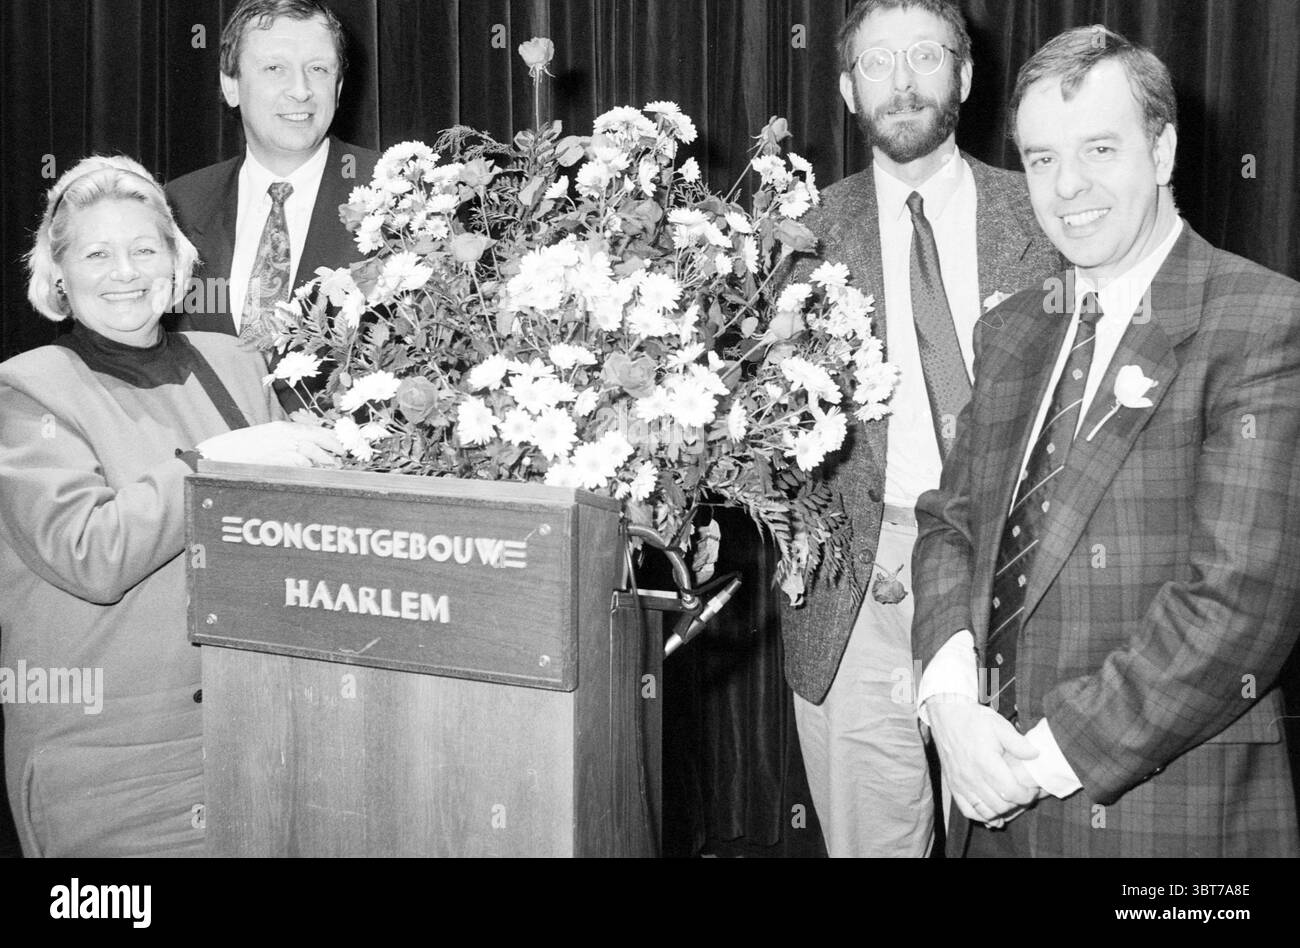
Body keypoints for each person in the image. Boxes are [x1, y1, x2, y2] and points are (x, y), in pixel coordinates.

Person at [912, 25, 1300, 857]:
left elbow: (1240, 605)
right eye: (1042, 158)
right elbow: (950, 520)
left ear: (1161, 152)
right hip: (985, 809)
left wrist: (1038, 762)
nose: (1068, 186)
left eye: (1099, 148)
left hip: (1158, 818)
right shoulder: (1012, 330)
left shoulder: (1264, 322)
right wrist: (948, 700)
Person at [0, 155, 342, 857]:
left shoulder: (234, 363)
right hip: (112, 768)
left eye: (144, 248)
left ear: (179, 262)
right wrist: (217, 463)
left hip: (258, 742)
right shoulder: (26, 391)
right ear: (58, 274)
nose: (125, 271)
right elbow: (90, 554)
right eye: (97, 252)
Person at [780, 0, 1059, 857]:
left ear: (966, 76)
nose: (902, 82)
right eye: (877, 63)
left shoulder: (1051, 216)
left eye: (925, 57)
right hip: (850, 586)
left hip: (1019, 573)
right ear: (845, 88)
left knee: (1016, 831)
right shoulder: (797, 235)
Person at [166, 0, 378, 344]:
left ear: (338, 89)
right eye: (275, 68)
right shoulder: (177, 208)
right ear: (230, 85)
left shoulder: (399, 196)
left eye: (318, 69)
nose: (300, 90)